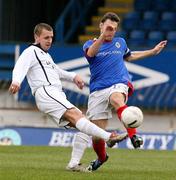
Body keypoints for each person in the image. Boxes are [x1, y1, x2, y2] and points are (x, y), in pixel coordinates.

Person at [9, 23, 128, 171]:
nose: (49, 40)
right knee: (77, 115)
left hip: (54, 94)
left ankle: (73, 164)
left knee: (83, 124)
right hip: (46, 92)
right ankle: (109, 137)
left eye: (51, 37)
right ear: (36, 37)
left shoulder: (45, 55)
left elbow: (56, 71)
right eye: (46, 37)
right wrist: (16, 81)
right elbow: (20, 66)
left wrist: (73, 76)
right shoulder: (31, 51)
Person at [67, 12, 167, 172]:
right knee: (97, 135)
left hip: (118, 83)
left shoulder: (120, 42)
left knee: (116, 99)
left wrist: (152, 51)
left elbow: (129, 56)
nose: (110, 31)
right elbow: (91, 54)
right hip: (97, 90)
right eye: (107, 28)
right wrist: (102, 36)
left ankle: (133, 135)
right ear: (100, 26)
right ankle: (102, 157)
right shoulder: (89, 44)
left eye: (113, 29)